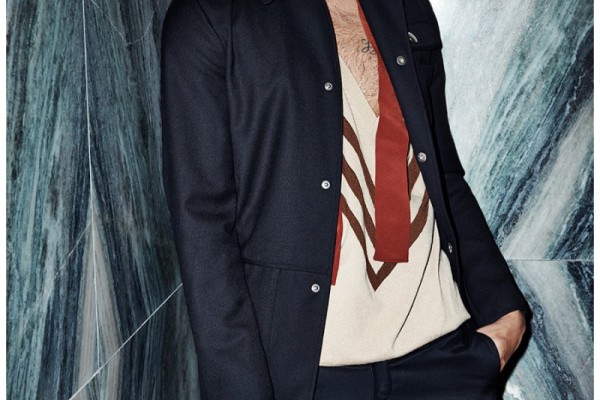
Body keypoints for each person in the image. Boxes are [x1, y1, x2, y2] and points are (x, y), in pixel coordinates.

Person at [160, 0, 530, 399]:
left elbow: (441, 173)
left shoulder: (404, 6)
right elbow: (204, 228)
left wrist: (506, 315)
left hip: (447, 357)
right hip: (310, 377)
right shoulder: (210, 14)